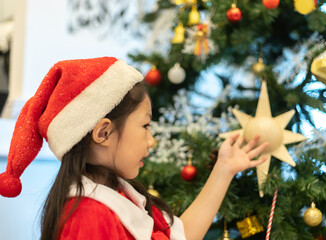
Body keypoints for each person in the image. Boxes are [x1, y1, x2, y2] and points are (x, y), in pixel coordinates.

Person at [0, 57, 268, 240]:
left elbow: (180, 235)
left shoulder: (119, 193)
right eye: (145, 126)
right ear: (103, 132)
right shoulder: (88, 217)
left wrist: (224, 169)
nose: (151, 140)